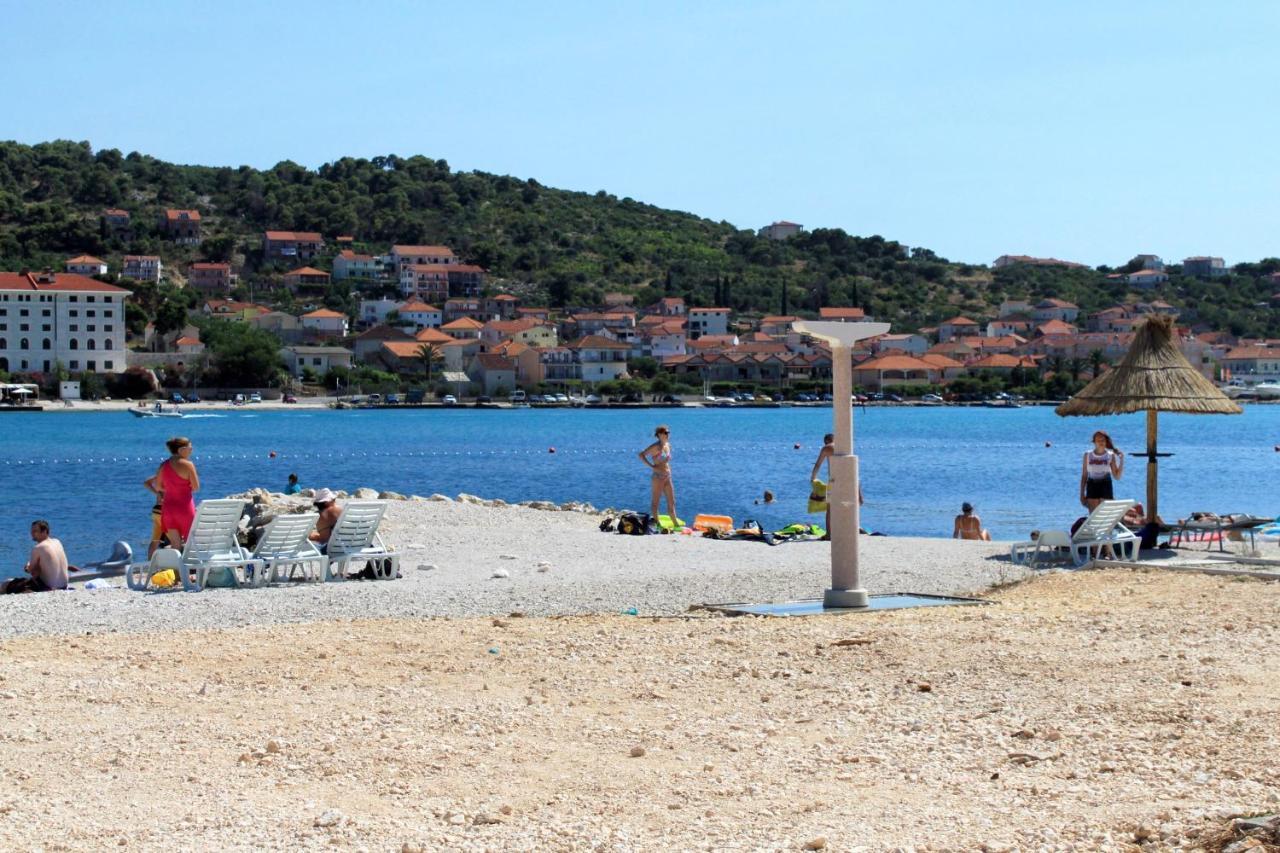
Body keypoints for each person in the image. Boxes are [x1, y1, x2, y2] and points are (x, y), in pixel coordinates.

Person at [809, 433, 863, 539]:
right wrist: (859, 492)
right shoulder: (845, 448)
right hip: (849, 480)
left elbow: (818, 464)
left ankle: (829, 534)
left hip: (834, 481)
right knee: (848, 506)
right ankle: (854, 529)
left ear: (827, 441)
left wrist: (813, 478)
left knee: (830, 509)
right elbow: (853, 470)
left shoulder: (827, 448)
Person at [154, 436, 199, 550]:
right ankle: (191, 567)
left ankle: (177, 567)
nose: (191, 450)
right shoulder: (188, 465)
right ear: (181, 450)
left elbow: (158, 486)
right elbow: (196, 487)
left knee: (175, 545)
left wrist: (171, 488)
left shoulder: (163, 465)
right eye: (190, 448)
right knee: (191, 542)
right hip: (185, 508)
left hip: (169, 509)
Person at [2, 520, 69, 594]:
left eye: (35, 531)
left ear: (44, 531)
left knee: (6, 583)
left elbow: (31, 571)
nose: (32, 534)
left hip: (49, 587)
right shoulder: (57, 541)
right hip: (64, 586)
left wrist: (27, 567)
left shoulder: (38, 547)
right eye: (32, 531)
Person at [638, 425, 677, 527]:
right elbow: (641, 455)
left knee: (672, 501)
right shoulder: (655, 446)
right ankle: (658, 525)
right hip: (658, 477)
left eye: (668, 432)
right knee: (656, 502)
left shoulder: (667, 445)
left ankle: (676, 525)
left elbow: (666, 461)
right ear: (659, 434)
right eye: (665, 433)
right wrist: (651, 466)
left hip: (667, 476)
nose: (667, 434)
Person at [1080, 430, 1124, 511]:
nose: (1101, 442)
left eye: (1103, 440)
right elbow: (1084, 476)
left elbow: (1117, 476)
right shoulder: (1087, 455)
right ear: (1094, 442)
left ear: (1106, 441)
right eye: (1098, 440)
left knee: (1105, 513)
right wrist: (1082, 494)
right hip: (1092, 485)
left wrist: (1121, 460)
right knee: (1094, 514)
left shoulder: (1110, 455)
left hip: (1105, 485)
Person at [309, 488, 342, 553]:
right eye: (334, 500)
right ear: (328, 502)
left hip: (331, 550)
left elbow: (324, 539)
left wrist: (314, 536)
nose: (335, 501)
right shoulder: (342, 510)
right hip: (349, 546)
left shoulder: (320, 515)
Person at [142, 472, 167, 557]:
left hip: (157, 510)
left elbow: (146, 483)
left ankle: (150, 562)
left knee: (155, 540)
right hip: (165, 512)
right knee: (174, 539)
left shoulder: (163, 478)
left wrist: (157, 493)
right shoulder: (173, 479)